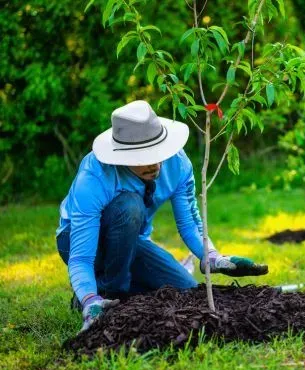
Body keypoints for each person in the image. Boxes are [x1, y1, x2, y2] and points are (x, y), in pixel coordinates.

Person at [56, 100, 267, 331]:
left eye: (157, 152)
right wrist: (89, 299)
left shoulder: (177, 163)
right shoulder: (95, 176)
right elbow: (81, 258)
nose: (154, 163)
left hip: (131, 241)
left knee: (185, 289)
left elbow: (189, 223)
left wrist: (213, 257)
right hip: (79, 241)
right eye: (141, 157)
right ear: (121, 156)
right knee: (130, 205)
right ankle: (103, 293)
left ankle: (108, 287)